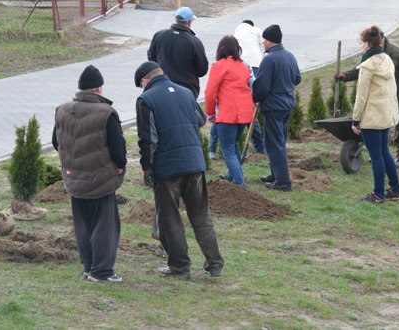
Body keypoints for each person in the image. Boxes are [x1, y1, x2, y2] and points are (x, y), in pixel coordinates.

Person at [134, 61, 224, 279]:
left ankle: (180, 267)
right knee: (201, 215)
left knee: (170, 218)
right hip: (194, 163)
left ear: (145, 80)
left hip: (167, 168)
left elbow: (147, 138)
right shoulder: (186, 93)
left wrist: (147, 168)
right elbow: (201, 120)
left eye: (141, 84)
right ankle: (215, 264)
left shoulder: (146, 99)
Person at [52, 65, 127, 283]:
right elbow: (118, 148)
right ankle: (101, 272)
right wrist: (120, 166)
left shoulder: (62, 109)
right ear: (99, 89)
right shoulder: (106, 113)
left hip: (74, 177)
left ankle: (88, 267)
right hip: (100, 180)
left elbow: (56, 142)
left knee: (82, 225)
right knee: (105, 226)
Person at [336, 33, 399, 167]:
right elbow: (360, 69)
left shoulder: (398, 54)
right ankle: (379, 153)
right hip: (381, 96)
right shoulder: (370, 54)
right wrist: (345, 76)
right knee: (380, 124)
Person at [350, 26, 399, 203]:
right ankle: (395, 190)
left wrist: (356, 120)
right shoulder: (387, 60)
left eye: (361, 43)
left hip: (372, 116)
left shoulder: (367, 67)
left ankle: (378, 194)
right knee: (384, 151)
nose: (360, 46)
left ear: (367, 44)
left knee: (376, 155)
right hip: (386, 113)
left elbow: (361, 96)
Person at [251, 25, 301, 192]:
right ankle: (276, 174)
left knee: (274, 144)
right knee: (279, 141)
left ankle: (283, 182)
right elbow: (297, 78)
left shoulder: (269, 59)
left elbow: (262, 87)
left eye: (264, 40)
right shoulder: (290, 56)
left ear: (270, 41)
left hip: (274, 106)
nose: (262, 43)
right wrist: (284, 86)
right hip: (287, 104)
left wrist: (256, 97)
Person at [204, 35, 254, 186]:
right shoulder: (244, 66)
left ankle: (239, 182)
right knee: (234, 146)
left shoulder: (219, 66)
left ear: (221, 49)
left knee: (227, 149)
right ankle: (233, 176)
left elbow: (210, 92)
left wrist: (210, 113)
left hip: (228, 112)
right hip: (245, 112)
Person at [147, 6, 209, 100]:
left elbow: (151, 58)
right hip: (187, 89)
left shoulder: (159, 36)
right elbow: (202, 70)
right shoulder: (194, 42)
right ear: (189, 22)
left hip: (162, 86)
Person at [233, 19, 266, 155]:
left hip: (240, 64)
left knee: (246, 105)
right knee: (251, 106)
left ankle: (212, 149)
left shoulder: (236, 32)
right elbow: (263, 44)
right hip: (256, 64)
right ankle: (260, 146)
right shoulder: (256, 30)